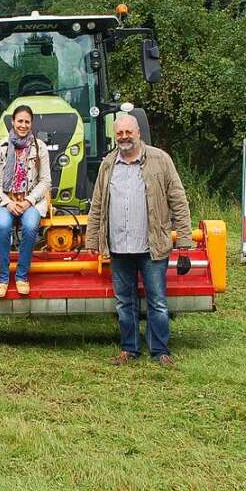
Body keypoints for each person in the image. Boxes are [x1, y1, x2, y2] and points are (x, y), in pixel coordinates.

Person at [85, 112, 193, 367]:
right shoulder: (108, 164)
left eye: (128, 132)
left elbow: (178, 200)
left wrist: (185, 242)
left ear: (138, 133)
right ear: (115, 135)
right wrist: (93, 240)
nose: (124, 137)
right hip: (119, 246)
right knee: (125, 302)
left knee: (157, 301)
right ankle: (129, 349)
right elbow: (98, 203)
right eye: (119, 133)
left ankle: (160, 351)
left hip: (152, 246)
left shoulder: (160, 160)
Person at [0, 105, 51, 297]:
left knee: (30, 227)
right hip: (3, 200)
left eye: (27, 121)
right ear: (12, 122)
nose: (23, 125)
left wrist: (29, 201)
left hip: (30, 201)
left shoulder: (40, 148)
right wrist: (7, 202)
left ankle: (22, 276)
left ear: (31, 124)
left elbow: (45, 180)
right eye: (19, 121)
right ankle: (3, 278)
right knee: (3, 226)